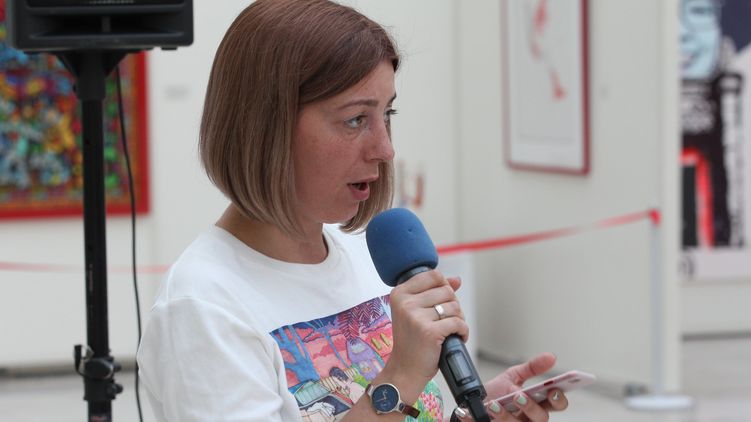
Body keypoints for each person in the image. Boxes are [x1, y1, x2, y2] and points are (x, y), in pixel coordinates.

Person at [137, 1, 571, 420]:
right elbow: (393, 392)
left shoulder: (365, 255)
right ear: (267, 128)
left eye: (387, 113)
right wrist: (400, 377)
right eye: (355, 120)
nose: (385, 148)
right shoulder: (202, 308)